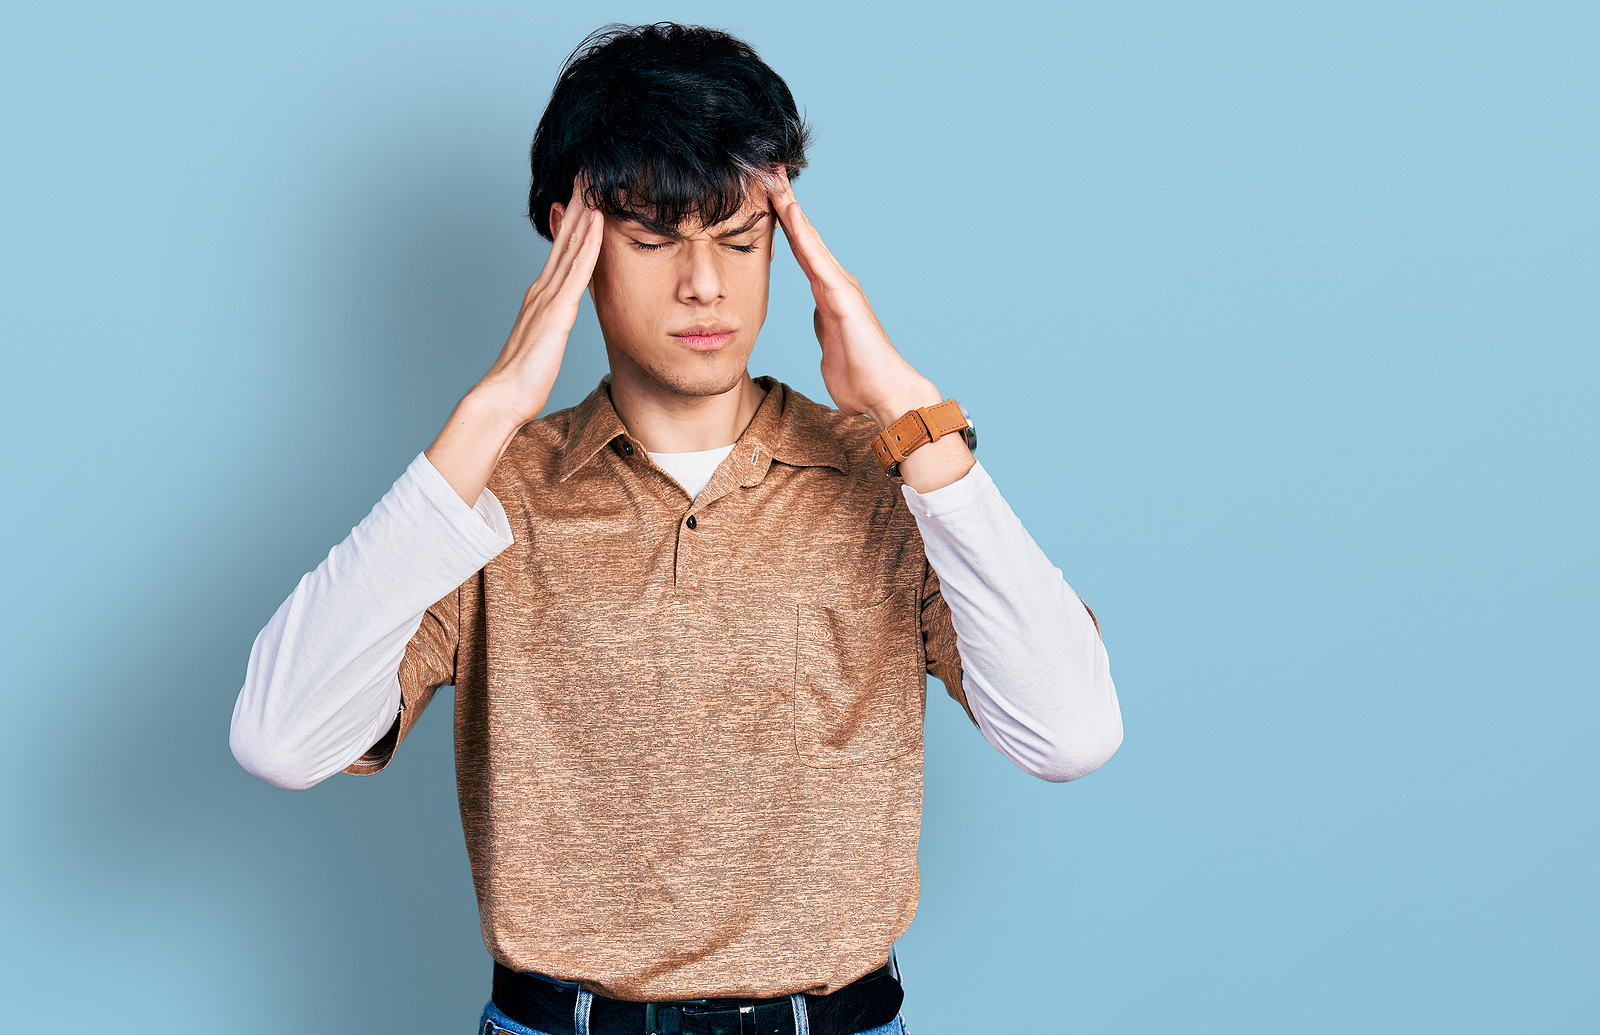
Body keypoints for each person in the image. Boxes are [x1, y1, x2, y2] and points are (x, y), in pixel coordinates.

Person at [231, 22, 1121, 1035]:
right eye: (653, 238)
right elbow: (279, 739)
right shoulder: (486, 497)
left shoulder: (891, 485)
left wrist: (913, 416)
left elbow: (1072, 734)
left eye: (740, 240)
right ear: (571, 233)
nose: (705, 284)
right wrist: (489, 413)